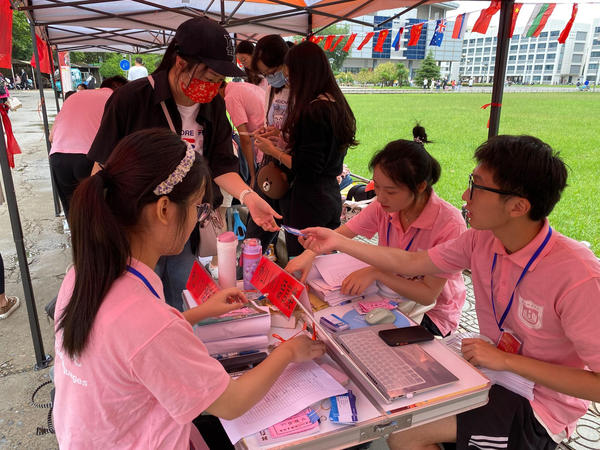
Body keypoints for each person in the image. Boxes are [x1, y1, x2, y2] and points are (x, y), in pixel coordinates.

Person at [300, 135, 600, 450]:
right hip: (491, 370)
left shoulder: (578, 276)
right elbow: (413, 261)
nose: (465, 195)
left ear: (518, 206)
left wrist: (506, 361)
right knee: (396, 400)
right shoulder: (481, 240)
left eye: (477, 186)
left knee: (405, 434)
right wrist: (337, 241)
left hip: (538, 404)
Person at [53, 128, 325, 448]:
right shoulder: (149, 323)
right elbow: (231, 403)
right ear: (164, 209)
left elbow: (127, 347)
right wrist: (289, 352)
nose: (199, 218)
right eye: (198, 207)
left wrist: (198, 313)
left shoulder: (83, 275)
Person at [87, 17, 280, 311]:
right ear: (180, 62)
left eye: (220, 81)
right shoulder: (130, 100)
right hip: (135, 232)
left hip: (185, 225)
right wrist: (97, 231)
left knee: (180, 296)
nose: (214, 88)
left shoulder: (213, 105)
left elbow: (221, 165)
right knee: (139, 303)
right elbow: (101, 169)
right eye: (210, 78)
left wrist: (249, 197)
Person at [286, 134, 466, 336]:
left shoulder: (449, 224)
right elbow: (342, 235)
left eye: (390, 191)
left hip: (431, 314)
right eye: (376, 187)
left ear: (420, 187)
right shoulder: (384, 206)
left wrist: (376, 273)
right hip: (388, 294)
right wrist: (309, 254)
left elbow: (427, 295)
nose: (380, 198)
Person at [254, 41, 357, 258]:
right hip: (328, 195)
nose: (289, 82)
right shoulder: (336, 104)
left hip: (308, 202)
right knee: (324, 261)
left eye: (291, 77)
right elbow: (319, 150)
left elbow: (307, 167)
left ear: (305, 74)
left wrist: (272, 150)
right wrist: (281, 136)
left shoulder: (313, 110)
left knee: (304, 263)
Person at [49, 76, 127, 218]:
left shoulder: (74, 97)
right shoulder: (116, 98)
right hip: (90, 159)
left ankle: (76, 232)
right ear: (119, 88)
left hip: (58, 157)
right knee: (96, 212)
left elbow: (51, 137)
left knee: (73, 213)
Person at [244, 34, 290, 255]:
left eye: (272, 72)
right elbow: (270, 122)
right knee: (254, 237)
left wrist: (280, 139)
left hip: (291, 170)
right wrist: (266, 132)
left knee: (295, 238)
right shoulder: (272, 89)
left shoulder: (303, 90)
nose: (271, 79)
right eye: (266, 74)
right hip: (271, 168)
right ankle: (248, 269)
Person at [218, 80, 265, 189]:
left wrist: (252, 175)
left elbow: (245, 139)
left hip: (263, 147)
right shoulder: (243, 86)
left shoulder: (230, 97)